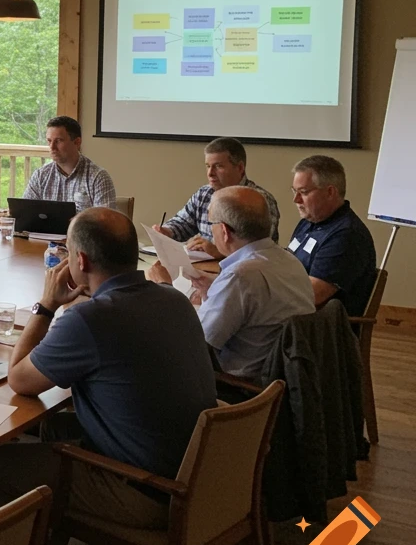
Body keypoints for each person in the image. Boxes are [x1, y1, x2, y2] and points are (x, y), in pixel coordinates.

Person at [0, 208, 216, 545]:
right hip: (195, 473)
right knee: (51, 427)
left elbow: (19, 379)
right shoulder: (173, 299)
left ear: (81, 261)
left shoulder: (91, 319)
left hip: (149, 492)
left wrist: (46, 306)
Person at [149, 187, 314, 379]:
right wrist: (215, 289)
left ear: (224, 231)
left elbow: (192, 345)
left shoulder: (240, 277)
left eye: (212, 223)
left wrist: (164, 289)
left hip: (239, 389)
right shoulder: (290, 260)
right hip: (284, 380)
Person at [153, 136, 281, 259]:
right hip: (206, 268)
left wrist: (220, 251)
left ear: (240, 168)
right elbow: (183, 222)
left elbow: (259, 249)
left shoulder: (258, 200)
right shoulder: (204, 193)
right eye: (208, 166)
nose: (210, 173)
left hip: (249, 274)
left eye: (218, 166)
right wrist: (167, 232)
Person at [287, 155, 378, 317]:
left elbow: (312, 295)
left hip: (323, 330)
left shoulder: (347, 235)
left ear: (330, 192)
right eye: (294, 191)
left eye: (304, 192)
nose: (296, 199)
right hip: (296, 317)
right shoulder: (308, 222)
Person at [22, 116, 116, 209]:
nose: (52, 147)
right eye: (49, 141)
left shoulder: (98, 178)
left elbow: (105, 222)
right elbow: (25, 212)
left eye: (58, 141)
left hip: (82, 225)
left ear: (77, 142)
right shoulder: (40, 176)